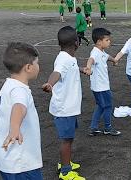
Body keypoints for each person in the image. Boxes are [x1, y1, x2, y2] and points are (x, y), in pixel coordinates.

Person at [42, 26, 85, 180]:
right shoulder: (63, 59)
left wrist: (81, 69)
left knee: (69, 138)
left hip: (69, 108)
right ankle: (65, 171)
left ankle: (65, 163)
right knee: (66, 140)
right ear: (76, 43)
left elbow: (69, 68)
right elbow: (57, 73)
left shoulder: (69, 58)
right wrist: (50, 84)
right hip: (64, 109)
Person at [0, 42, 43, 179]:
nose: (38, 66)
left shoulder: (9, 84)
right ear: (28, 67)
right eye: (37, 63)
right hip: (21, 163)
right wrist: (15, 127)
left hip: (7, 159)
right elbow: (19, 106)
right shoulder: (19, 90)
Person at [83, 27, 121, 136]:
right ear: (99, 42)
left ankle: (93, 128)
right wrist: (88, 68)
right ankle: (108, 128)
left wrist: (114, 60)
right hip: (101, 87)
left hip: (98, 87)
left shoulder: (101, 51)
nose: (110, 42)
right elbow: (91, 60)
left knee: (100, 105)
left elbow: (106, 56)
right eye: (107, 40)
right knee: (108, 106)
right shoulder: (95, 53)